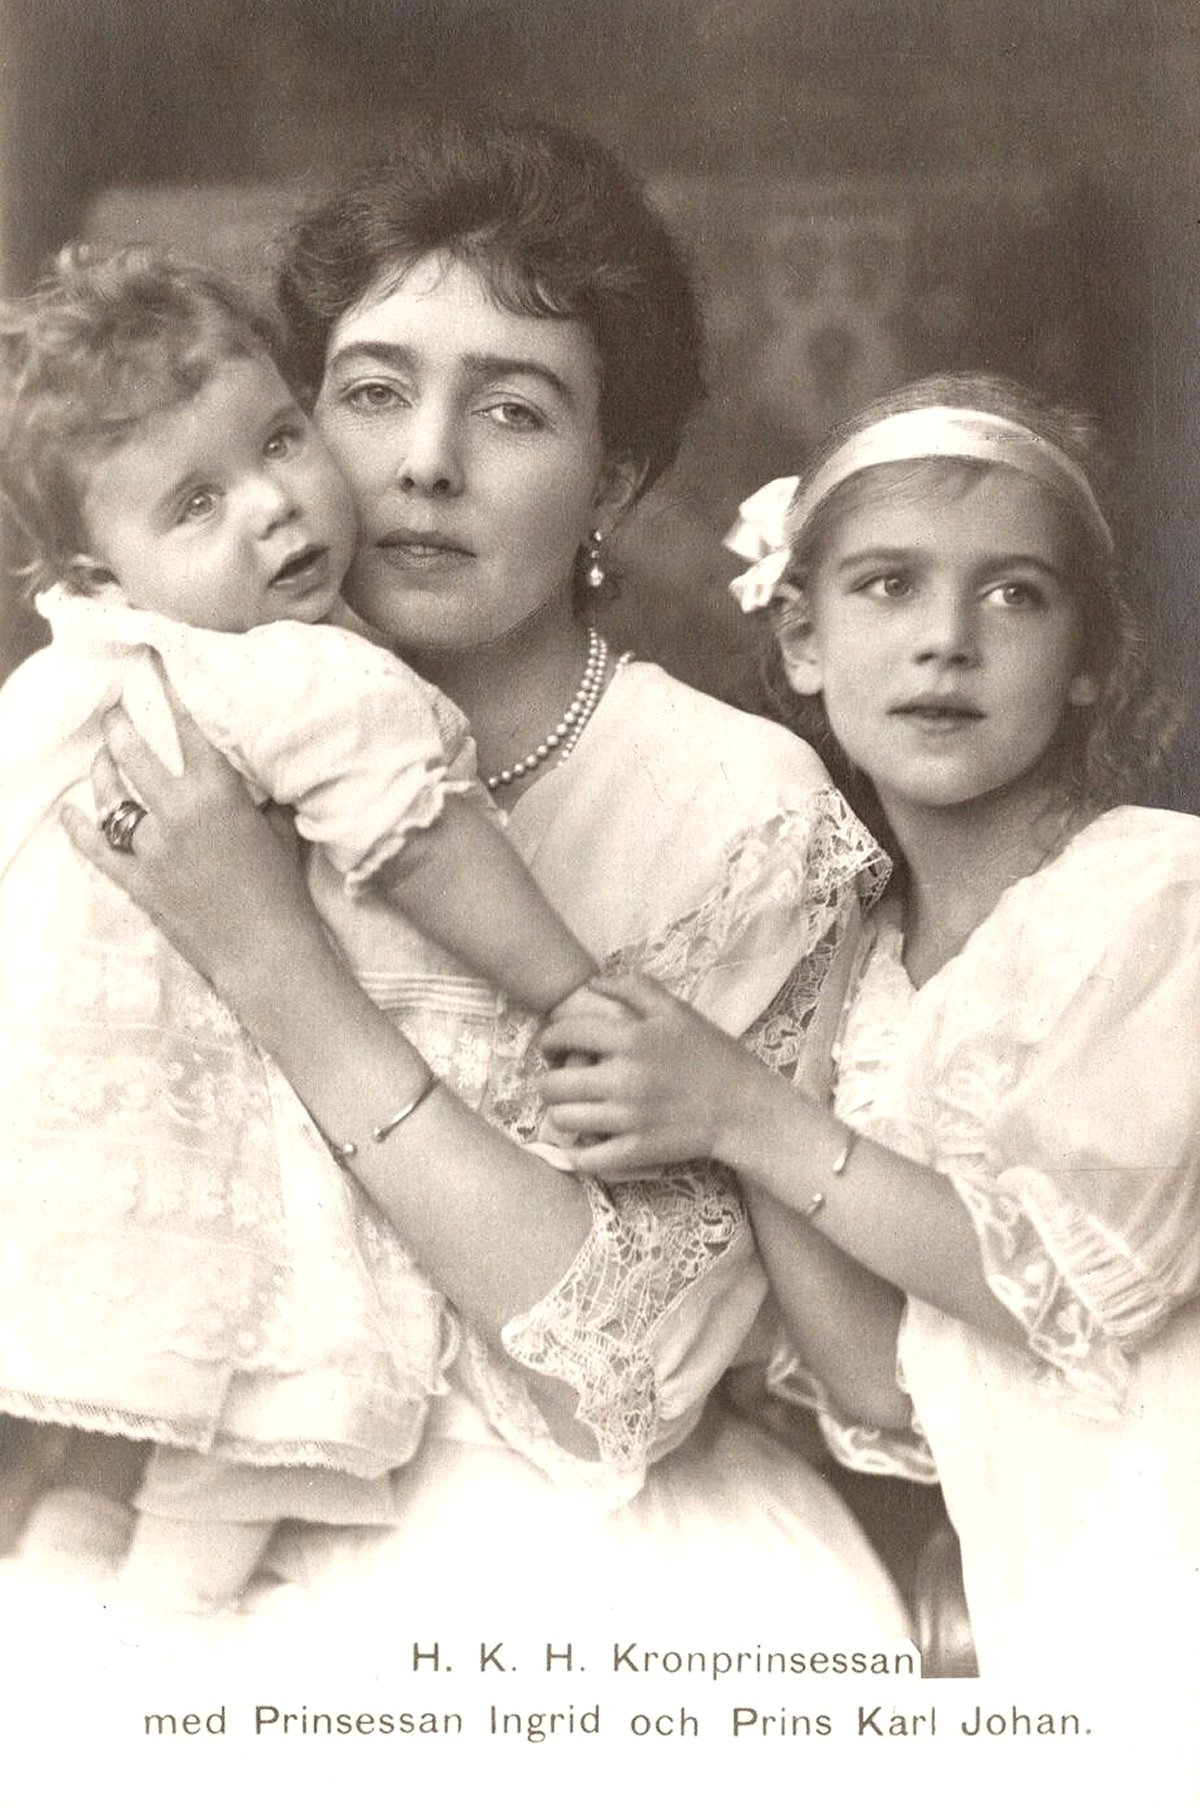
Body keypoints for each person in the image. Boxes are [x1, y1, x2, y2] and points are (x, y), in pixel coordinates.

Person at [32, 117, 912, 1645]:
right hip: (179, 1507)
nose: (423, 462)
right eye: (370, 395)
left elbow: (622, 1379)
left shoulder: (741, 808)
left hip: (567, 1562)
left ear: (613, 483)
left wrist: (275, 964)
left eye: (511, 413)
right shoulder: (175, 736)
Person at [539, 371, 1200, 1679]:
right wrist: (764, 1052)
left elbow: (1064, 1289)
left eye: (1017, 594)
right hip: (1055, 1599)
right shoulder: (864, 963)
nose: (947, 638)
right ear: (802, 636)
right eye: (888, 586)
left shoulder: (1159, 899)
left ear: (1089, 665)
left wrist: (743, 1107)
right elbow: (882, 1390)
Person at [0, 243, 608, 1613]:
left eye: (280, 441)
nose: (276, 511)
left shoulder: (67, 670)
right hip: (185, 1122)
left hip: (63, 1138)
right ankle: (159, 1639)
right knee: (251, 1405)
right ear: (104, 559)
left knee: (104, 1409)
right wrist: (572, 989)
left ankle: (71, 1572)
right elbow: (428, 842)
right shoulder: (295, 673)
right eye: (198, 504)